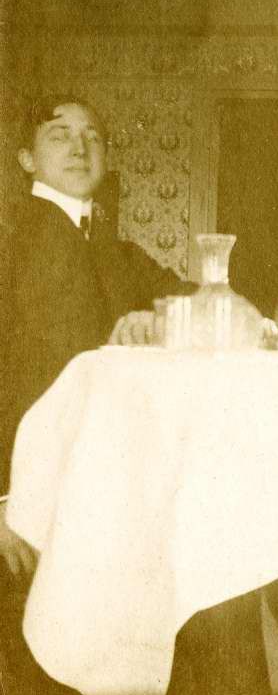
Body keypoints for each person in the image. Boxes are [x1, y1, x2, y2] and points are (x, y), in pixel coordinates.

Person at [0, 95, 189, 575]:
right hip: (24, 494)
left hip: (104, 482)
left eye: (93, 137)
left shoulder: (117, 250)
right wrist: (1, 499)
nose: (80, 148)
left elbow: (201, 301)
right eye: (59, 135)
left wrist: (161, 319)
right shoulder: (8, 239)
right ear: (27, 159)